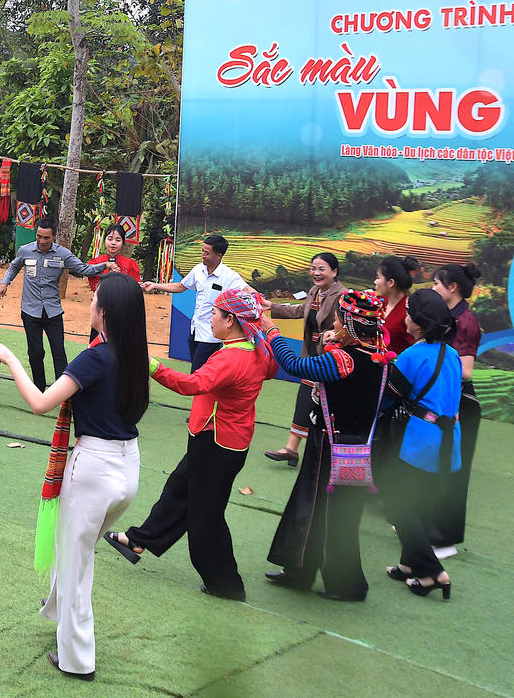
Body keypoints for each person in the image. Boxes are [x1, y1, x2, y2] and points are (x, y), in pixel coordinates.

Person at [0, 273, 148, 680]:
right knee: (76, 548)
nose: (89, 304)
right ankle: (58, 610)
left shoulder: (95, 358)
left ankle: (77, 658)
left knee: (77, 563)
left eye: (94, 299)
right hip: (128, 467)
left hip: (94, 466)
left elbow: (40, 402)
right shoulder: (136, 355)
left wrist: (9, 359)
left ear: (105, 312)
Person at [104, 287, 276, 602]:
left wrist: (150, 365)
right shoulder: (256, 351)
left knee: (205, 517)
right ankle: (140, 539)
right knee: (179, 490)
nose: (211, 319)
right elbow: (270, 368)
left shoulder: (230, 358)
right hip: (220, 439)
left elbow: (191, 384)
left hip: (216, 442)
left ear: (231, 320)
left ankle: (225, 582)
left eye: (215, 314)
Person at [261, 290, 392, 602]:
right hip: (355, 449)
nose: (333, 321)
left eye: (338, 317)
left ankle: (345, 584)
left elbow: (294, 364)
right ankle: (300, 570)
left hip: (331, 448)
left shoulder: (343, 360)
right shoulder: (379, 359)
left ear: (348, 323)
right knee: (325, 509)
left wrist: (272, 332)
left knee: (327, 511)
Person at [382, 288, 461, 600]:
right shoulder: (451, 354)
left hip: (418, 441)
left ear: (418, 323)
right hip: (446, 442)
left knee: (400, 506)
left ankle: (432, 572)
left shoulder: (412, 355)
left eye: (410, 314)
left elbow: (389, 396)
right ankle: (409, 564)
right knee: (421, 505)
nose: (406, 318)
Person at [0, 217, 112, 391]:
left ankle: (62, 391)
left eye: (46, 238)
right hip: (30, 310)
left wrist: (105, 265)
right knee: (35, 354)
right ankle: (39, 389)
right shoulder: (25, 251)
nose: (42, 241)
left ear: (54, 236)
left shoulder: (62, 254)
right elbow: (13, 267)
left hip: (53, 311)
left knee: (59, 353)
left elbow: (83, 269)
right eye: (39, 237)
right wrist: (5, 283)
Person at [261, 252, 345, 466]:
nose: (316, 273)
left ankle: (318, 454)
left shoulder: (342, 295)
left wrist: (333, 338)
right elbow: (301, 310)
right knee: (305, 397)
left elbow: (345, 327)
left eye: (322, 269)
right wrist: (272, 306)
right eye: (313, 268)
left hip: (329, 357)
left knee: (324, 404)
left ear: (334, 272)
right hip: (312, 353)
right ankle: (292, 448)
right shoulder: (314, 291)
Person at [428, 262, 483, 558]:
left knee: (453, 471)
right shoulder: (447, 317)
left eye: (437, 283)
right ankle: (428, 528)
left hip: (461, 404)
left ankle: (445, 541)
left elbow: (465, 371)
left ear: (452, 288)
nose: (434, 288)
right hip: (444, 401)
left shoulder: (466, 322)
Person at [142, 234, 246, 373]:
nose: (203, 255)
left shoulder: (229, 276)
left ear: (219, 255)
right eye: (202, 251)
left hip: (211, 336)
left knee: (198, 374)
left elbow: (248, 291)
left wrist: (270, 305)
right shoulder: (198, 270)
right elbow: (180, 286)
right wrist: (155, 285)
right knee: (199, 373)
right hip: (195, 330)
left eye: (207, 253)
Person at [85, 223, 140, 342]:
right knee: (97, 342)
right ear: (104, 240)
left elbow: (135, 286)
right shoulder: (95, 263)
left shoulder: (130, 264)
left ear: (123, 242)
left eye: (118, 239)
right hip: (101, 309)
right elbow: (92, 282)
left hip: (123, 310)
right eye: (110, 239)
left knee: (121, 344)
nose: (113, 243)